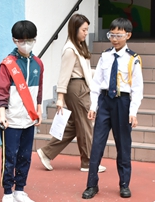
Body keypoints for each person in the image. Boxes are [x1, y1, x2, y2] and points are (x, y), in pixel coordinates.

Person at [82, 18, 143, 200]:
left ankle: (124, 184)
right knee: (97, 144)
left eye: (119, 35)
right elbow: (97, 82)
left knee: (123, 145)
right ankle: (91, 184)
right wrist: (93, 106)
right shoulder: (105, 56)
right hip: (105, 101)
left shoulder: (133, 59)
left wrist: (133, 112)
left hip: (122, 102)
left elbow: (137, 88)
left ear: (128, 35)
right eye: (112, 35)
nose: (114, 39)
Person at [37, 14, 106, 173]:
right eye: (83, 30)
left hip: (80, 87)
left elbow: (84, 71)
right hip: (76, 89)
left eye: (87, 30)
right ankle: (88, 162)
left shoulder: (78, 46)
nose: (86, 33)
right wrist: (60, 98)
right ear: (75, 29)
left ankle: (46, 153)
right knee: (85, 124)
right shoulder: (70, 49)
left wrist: (101, 74)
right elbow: (64, 75)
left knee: (76, 125)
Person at [0, 20, 43, 202]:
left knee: (25, 157)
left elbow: (39, 90)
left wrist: (39, 110)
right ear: (15, 40)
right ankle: (7, 193)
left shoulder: (38, 63)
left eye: (29, 40)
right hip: (11, 120)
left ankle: (20, 191)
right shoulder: (8, 64)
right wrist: (2, 115)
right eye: (22, 41)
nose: (26, 44)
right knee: (10, 158)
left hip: (29, 120)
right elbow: (1, 92)